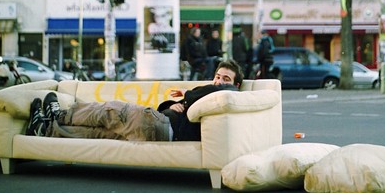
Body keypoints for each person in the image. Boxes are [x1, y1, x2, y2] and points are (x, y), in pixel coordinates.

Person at [26, 59, 243, 143]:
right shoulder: (215, 95)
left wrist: (187, 97)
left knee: (109, 110)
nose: (219, 81)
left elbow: (195, 95)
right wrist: (179, 104)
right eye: (217, 76)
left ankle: (60, 115)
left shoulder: (228, 93)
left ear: (235, 83)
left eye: (226, 78)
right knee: (98, 134)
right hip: (162, 128)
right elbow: (187, 101)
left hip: (160, 125)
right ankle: (46, 130)